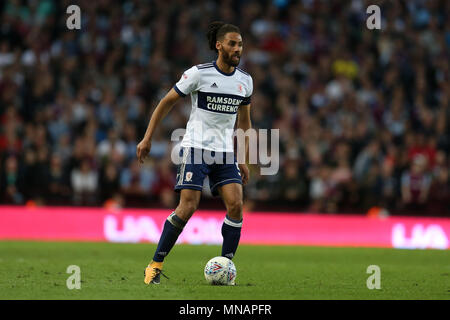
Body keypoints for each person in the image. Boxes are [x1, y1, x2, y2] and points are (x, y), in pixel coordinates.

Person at [136, 21, 253, 284]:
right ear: (219, 45)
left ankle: (225, 267)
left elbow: (245, 122)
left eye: (241, 44)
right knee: (188, 206)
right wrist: (147, 138)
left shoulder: (245, 81)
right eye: (233, 44)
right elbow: (166, 103)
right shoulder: (198, 74)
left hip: (224, 152)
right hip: (196, 148)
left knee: (236, 206)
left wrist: (243, 158)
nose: (238, 49)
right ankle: (154, 264)